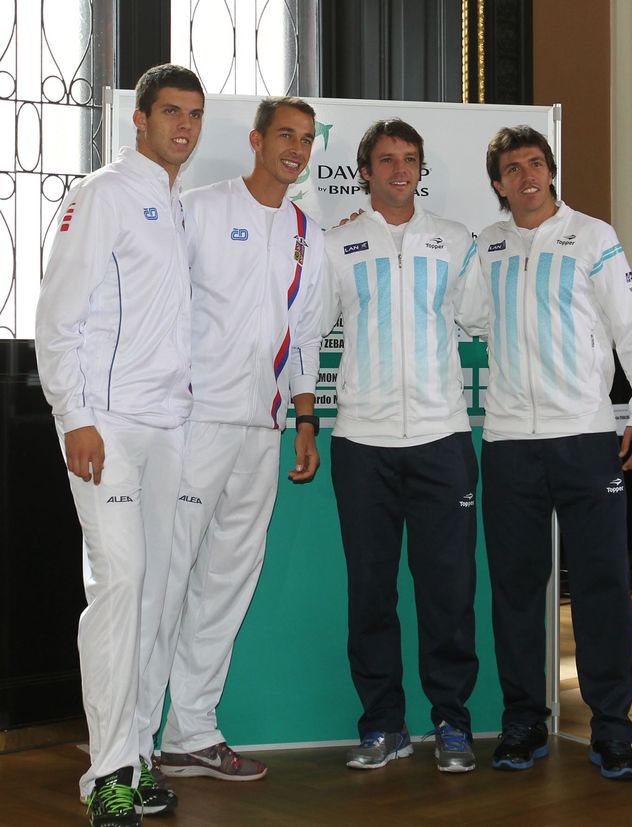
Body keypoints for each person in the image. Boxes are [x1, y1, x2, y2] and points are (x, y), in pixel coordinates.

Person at [35, 64, 205, 825]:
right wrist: (74, 414)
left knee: (157, 595)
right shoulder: (103, 194)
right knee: (121, 588)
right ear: (139, 119)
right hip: (107, 427)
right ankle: (106, 775)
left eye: (194, 115)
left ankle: (133, 759)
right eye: (171, 111)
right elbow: (59, 313)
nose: (184, 126)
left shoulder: (175, 205)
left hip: (170, 428)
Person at [142, 97, 324, 781]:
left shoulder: (310, 233)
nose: (296, 149)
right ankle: (130, 747)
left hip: (264, 430)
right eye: (285, 135)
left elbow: (303, 337)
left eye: (306, 139)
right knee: (164, 581)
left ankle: (191, 731)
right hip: (195, 423)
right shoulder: (204, 207)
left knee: (226, 584)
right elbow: (161, 304)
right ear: (255, 139)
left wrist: (304, 420)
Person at [478, 125, 632, 780]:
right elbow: (468, 314)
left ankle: (612, 728)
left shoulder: (594, 236)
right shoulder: (489, 245)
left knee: (603, 588)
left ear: (551, 172)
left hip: (586, 437)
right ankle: (524, 721)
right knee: (517, 591)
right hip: (508, 444)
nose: (526, 174)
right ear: (498, 183)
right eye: (512, 167)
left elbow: (631, 329)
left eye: (536, 163)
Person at [321, 119, 487, 773]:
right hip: (362, 440)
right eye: (386, 159)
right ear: (364, 170)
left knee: (448, 590)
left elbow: (487, 318)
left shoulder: (455, 240)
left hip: (443, 438)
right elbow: (307, 334)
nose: (398, 169)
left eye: (409, 159)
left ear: (421, 170)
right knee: (370, 592)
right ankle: (383, 725)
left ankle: (451, 721)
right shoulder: (338, 244)